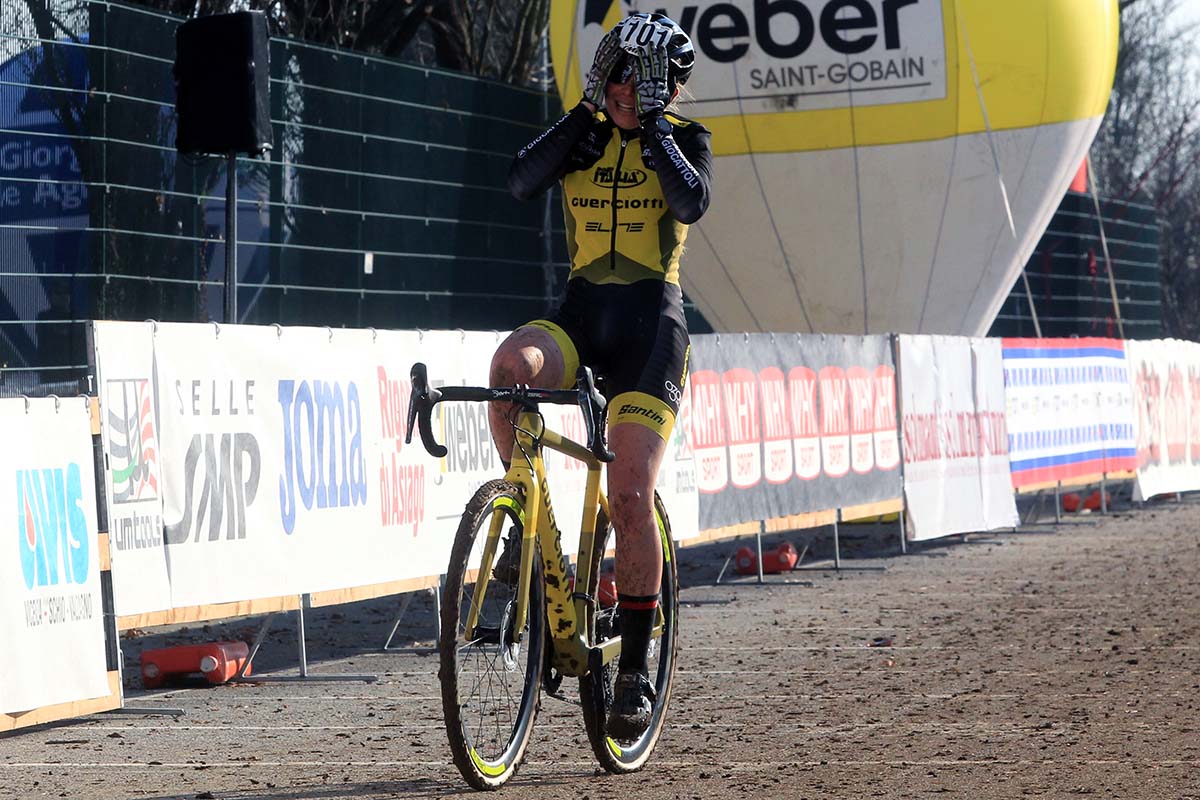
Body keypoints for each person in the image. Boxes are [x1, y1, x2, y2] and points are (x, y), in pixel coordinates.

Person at [492, 12, 713, 740]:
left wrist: (650, 125)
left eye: (642, 78)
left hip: (653, 328)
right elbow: (520, 181)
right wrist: (583, 115)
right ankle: (524, 539)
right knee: (507, 372)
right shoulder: (580, 132)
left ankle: (636, 669)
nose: (625, 88)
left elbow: (691, 201)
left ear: (670, 87)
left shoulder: (684, 139)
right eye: (617, 71)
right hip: (582, 315)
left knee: (628, 492)